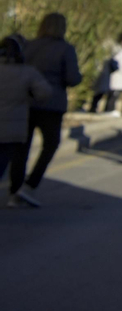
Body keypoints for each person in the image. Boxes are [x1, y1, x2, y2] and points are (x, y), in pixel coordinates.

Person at [19, 12, 81, 204]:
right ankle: (31, 184)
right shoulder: (65, 49)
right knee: (51, 144)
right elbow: (72, 78)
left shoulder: (29, 46)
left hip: (26, 101)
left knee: (22, 147)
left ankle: (16, 187)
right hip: (52, 104)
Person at [1, 35, 51, 208]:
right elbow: (44, 94)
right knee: (9, 161)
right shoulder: (28, 72)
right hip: (12, 127)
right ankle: (15, 194)